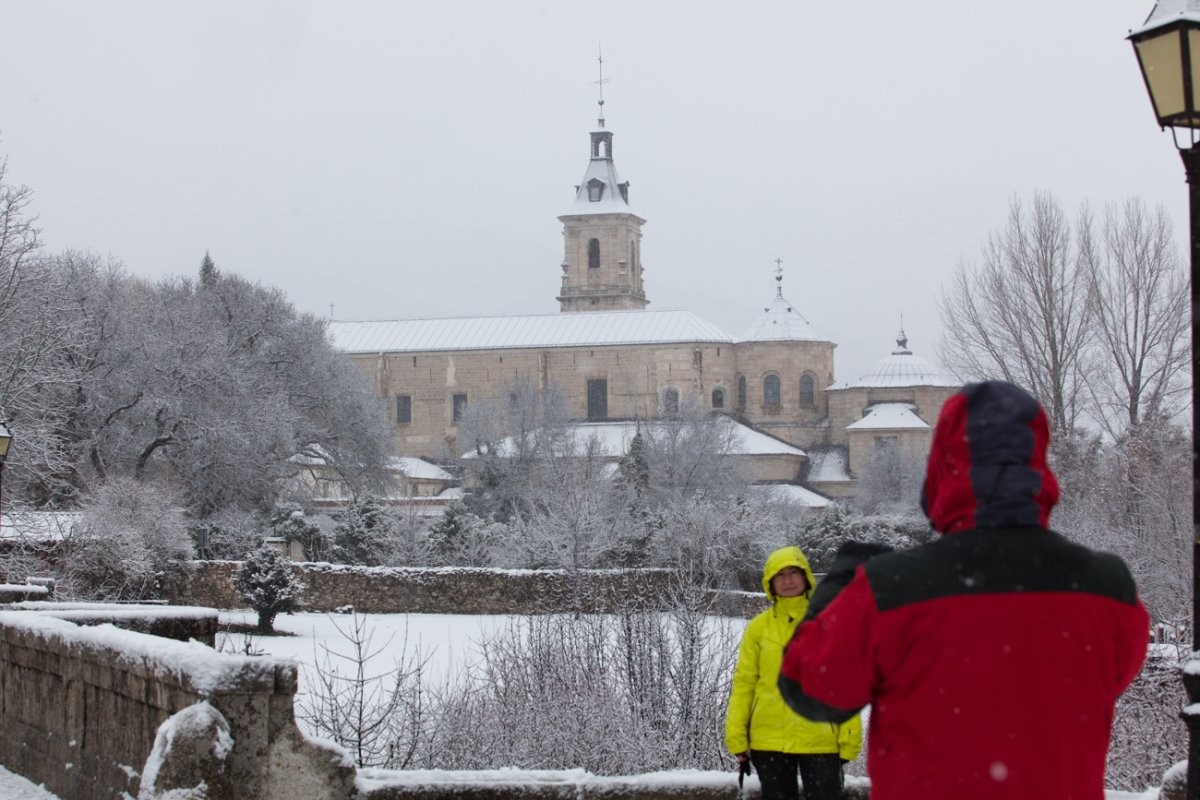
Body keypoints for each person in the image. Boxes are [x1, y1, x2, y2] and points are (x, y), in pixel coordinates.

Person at [777, 380, 1150, 800]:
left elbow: (811, 690)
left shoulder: (893, 589)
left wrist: (841, 583)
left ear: (941, 466)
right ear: (1037, 465)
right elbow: (1111, 675)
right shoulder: (1108, 589)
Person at [725, 545, 861, 800]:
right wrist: (736, 735)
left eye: (792, 573)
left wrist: (849, 737)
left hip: (821, 739)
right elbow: (744, 684)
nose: (787, 580)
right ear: (770, 582)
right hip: (769, 740)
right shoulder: (758, 628)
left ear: (805, 576)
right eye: (780, 575)